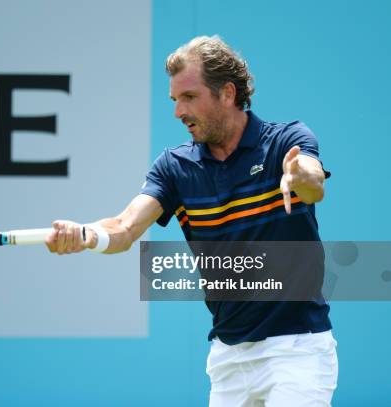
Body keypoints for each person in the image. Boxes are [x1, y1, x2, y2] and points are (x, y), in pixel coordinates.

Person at [45, 35, 338, 406]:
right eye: (175, 100)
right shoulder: (174, 167)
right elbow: (124, 228)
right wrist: (86, 235)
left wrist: (301, 175)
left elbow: (313, 184)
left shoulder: (286, 141)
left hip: (297, 352)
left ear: (227, 93)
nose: (178, 112)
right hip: (227, 359)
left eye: (189, 97)